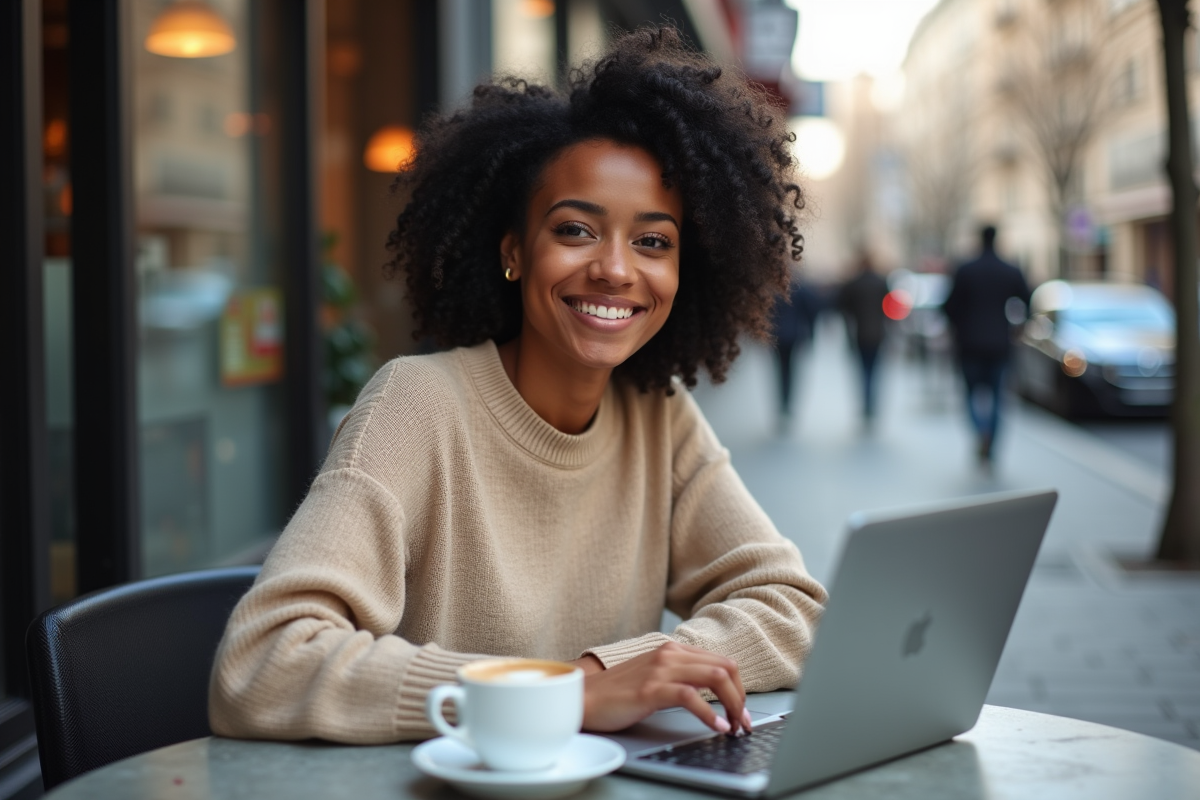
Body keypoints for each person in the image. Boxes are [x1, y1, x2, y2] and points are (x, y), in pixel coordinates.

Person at [209, 28, 827, 745]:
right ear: (513, 251)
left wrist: (620, 668)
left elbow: (790, 605)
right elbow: (264, 663)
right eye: (575, 230)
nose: (617, 271)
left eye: (653, 242)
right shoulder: (416, 405)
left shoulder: (660, 417)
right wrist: (562, 694)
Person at [942, 225, 1031, 463]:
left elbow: (949, 307)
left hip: (969, 343)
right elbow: (1028, 300)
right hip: (1000, 344)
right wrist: (1019, 326)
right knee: (998, 398)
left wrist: (959, 325)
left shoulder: (965, 270)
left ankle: (981, 432)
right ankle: (991, 440)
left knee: (971, 394)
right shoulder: (1009, 270)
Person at [837, 253, 890, 424]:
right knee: (874, 370)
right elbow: (889, 307)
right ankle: (871, 404)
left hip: (859, 333)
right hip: (878, 333)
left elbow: (844, 309)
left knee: (863, 370)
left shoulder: (854, 283)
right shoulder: (881, 282)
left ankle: (866, 404)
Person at [769, 270, 819, 428]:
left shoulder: (774, 289)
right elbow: (810, 312)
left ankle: (783, 403)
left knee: (780, 370)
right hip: (795, 335)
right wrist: (811, 335)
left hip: (777, 335)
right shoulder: (800, 288)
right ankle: (787, 404)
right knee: (791, 370)